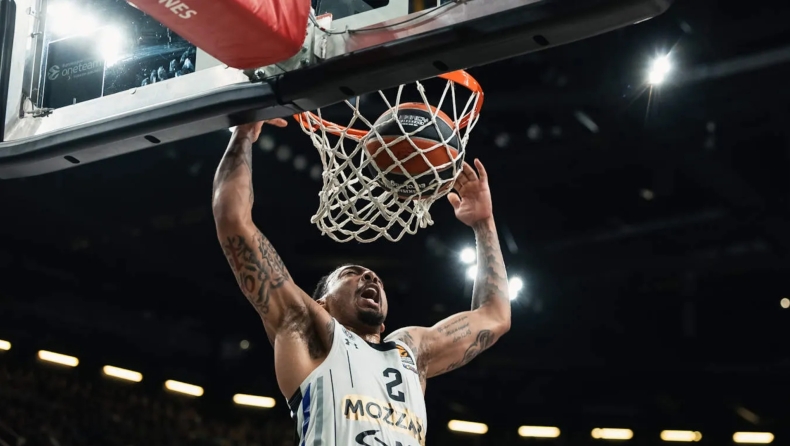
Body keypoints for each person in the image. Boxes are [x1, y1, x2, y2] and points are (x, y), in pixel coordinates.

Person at [211, 119, 511, 446]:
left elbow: (495, 317)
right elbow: (233, 220)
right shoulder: (308, 328)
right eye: (350, 273)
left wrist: (484, 223)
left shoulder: (411, 350)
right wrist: (242, 135)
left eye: (375, 278)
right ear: (322, 303)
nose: (370, 276)